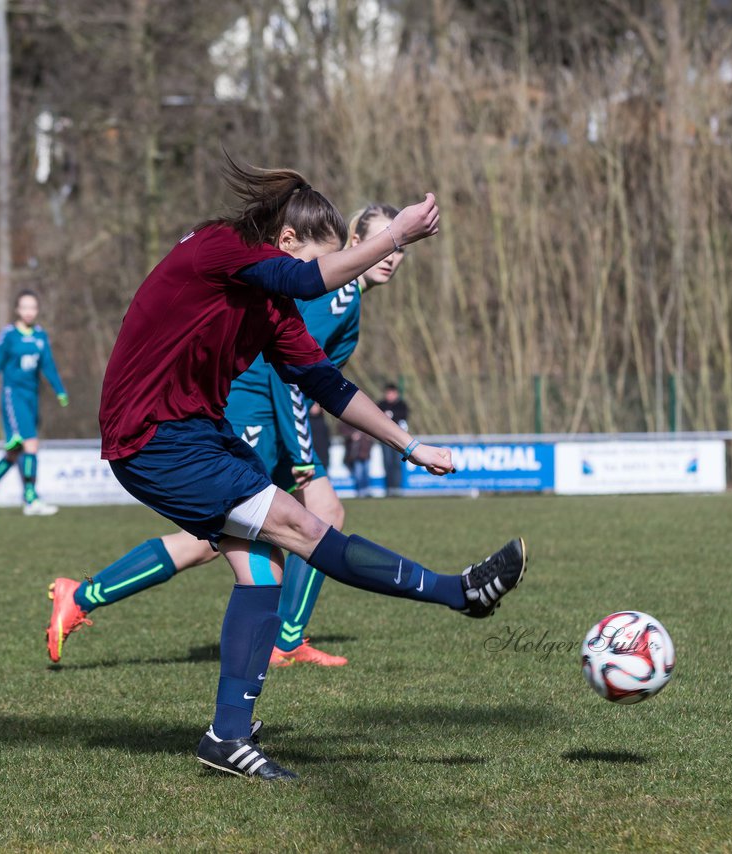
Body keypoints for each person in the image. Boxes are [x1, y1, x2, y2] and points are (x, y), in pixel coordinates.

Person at [84, 160, 527, 781]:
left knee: (261, 571)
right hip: (154, 435)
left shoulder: (270, 306)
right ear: (284, 242)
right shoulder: (224, 246)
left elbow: (325, 383)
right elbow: (312, 280)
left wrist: (408, 445)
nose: (304, 282)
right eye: (307, 262)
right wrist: (393, 234)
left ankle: (226, 738)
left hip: (195, 433)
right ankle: (459, 592)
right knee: (304, 525)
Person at [45, 204, 410, 669]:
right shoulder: (340, 297)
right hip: (259, 413)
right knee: (319, 514)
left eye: (398, 249)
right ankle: (287, 639)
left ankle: (82, 596)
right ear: (355, 245)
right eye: (383, 244)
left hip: (270, 418)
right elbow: (290, 374)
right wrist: (304, 458)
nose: (391, 257)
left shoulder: (347, 299)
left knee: (214, 541)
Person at [0, 290, 67, 517]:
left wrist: (59, 390)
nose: (29, 311)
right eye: (24, 307)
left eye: (33, 307)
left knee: (14, 453)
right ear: (17, 310)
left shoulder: (41, 336)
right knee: (31, 444)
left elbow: (48, 366)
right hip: (13, 398)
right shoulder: (8, 336)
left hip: (32, 398)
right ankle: (31, 499)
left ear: (37, 310)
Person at [377, 383, 410, 495]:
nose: (389, 395)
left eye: (392, 393)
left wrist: (392, 415)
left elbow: (404, 417)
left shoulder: (401, 405)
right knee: (387, 462)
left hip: (398, 439)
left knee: (397, 462)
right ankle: (389, 488)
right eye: (388, 393)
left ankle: (397, 488)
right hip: (385, 438)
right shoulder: (381, 405)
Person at [340, 420, 373, 496]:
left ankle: (366, 490)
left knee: (366, 473)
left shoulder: (367, 422)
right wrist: (351, 435)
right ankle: (361, 491)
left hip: (366, 453)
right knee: (359, 474)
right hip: (355, 454)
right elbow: (342, 430)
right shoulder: (347, 421)